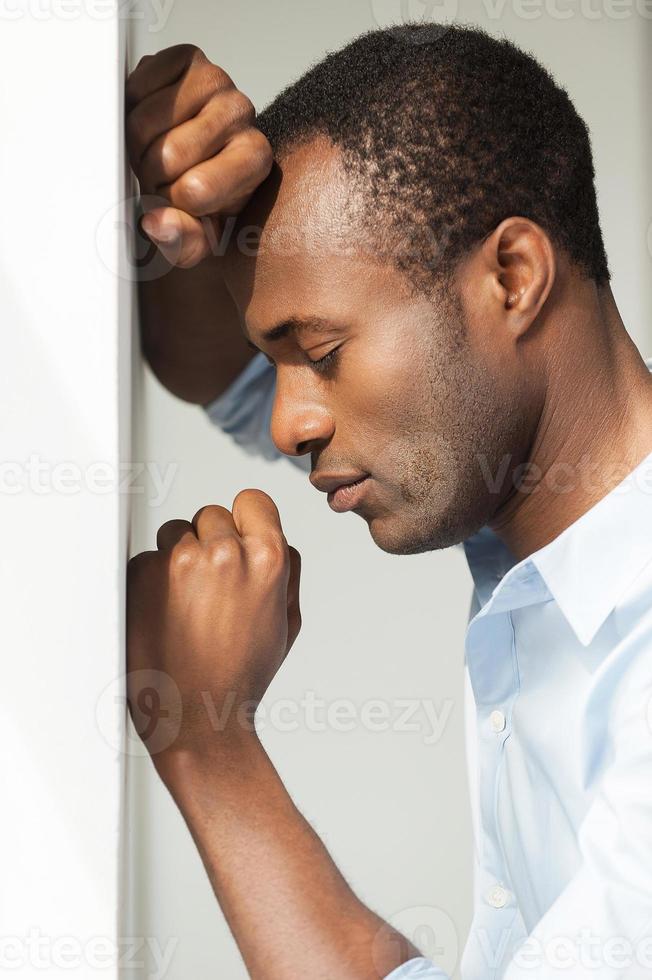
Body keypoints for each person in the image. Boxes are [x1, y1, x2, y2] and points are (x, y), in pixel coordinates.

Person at [124, 24, 652, 980]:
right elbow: (209, 371)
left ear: (514, 278)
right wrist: (177, 210)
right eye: (275, 359)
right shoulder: (523, 527)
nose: (287, 425)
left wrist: (208, 744)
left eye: (321, 355)